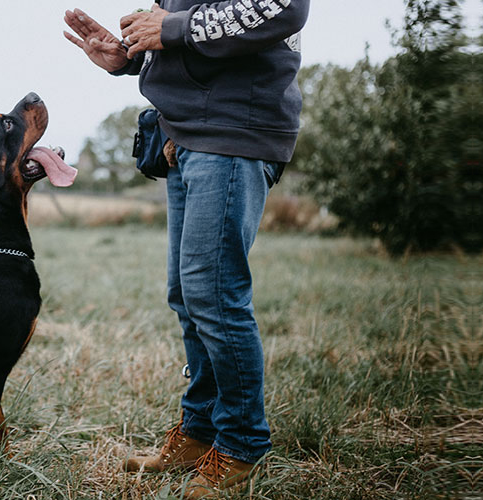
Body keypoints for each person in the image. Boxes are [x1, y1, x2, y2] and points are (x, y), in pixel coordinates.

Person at [64, 1, 309, 497]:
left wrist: (171, 26)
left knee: (215, 296)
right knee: (189, 295)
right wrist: (132, 56)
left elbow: (281, 9)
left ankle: (242, 444)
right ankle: (200, 431)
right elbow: (186, 42)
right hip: (187, 132)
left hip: (234, 131)